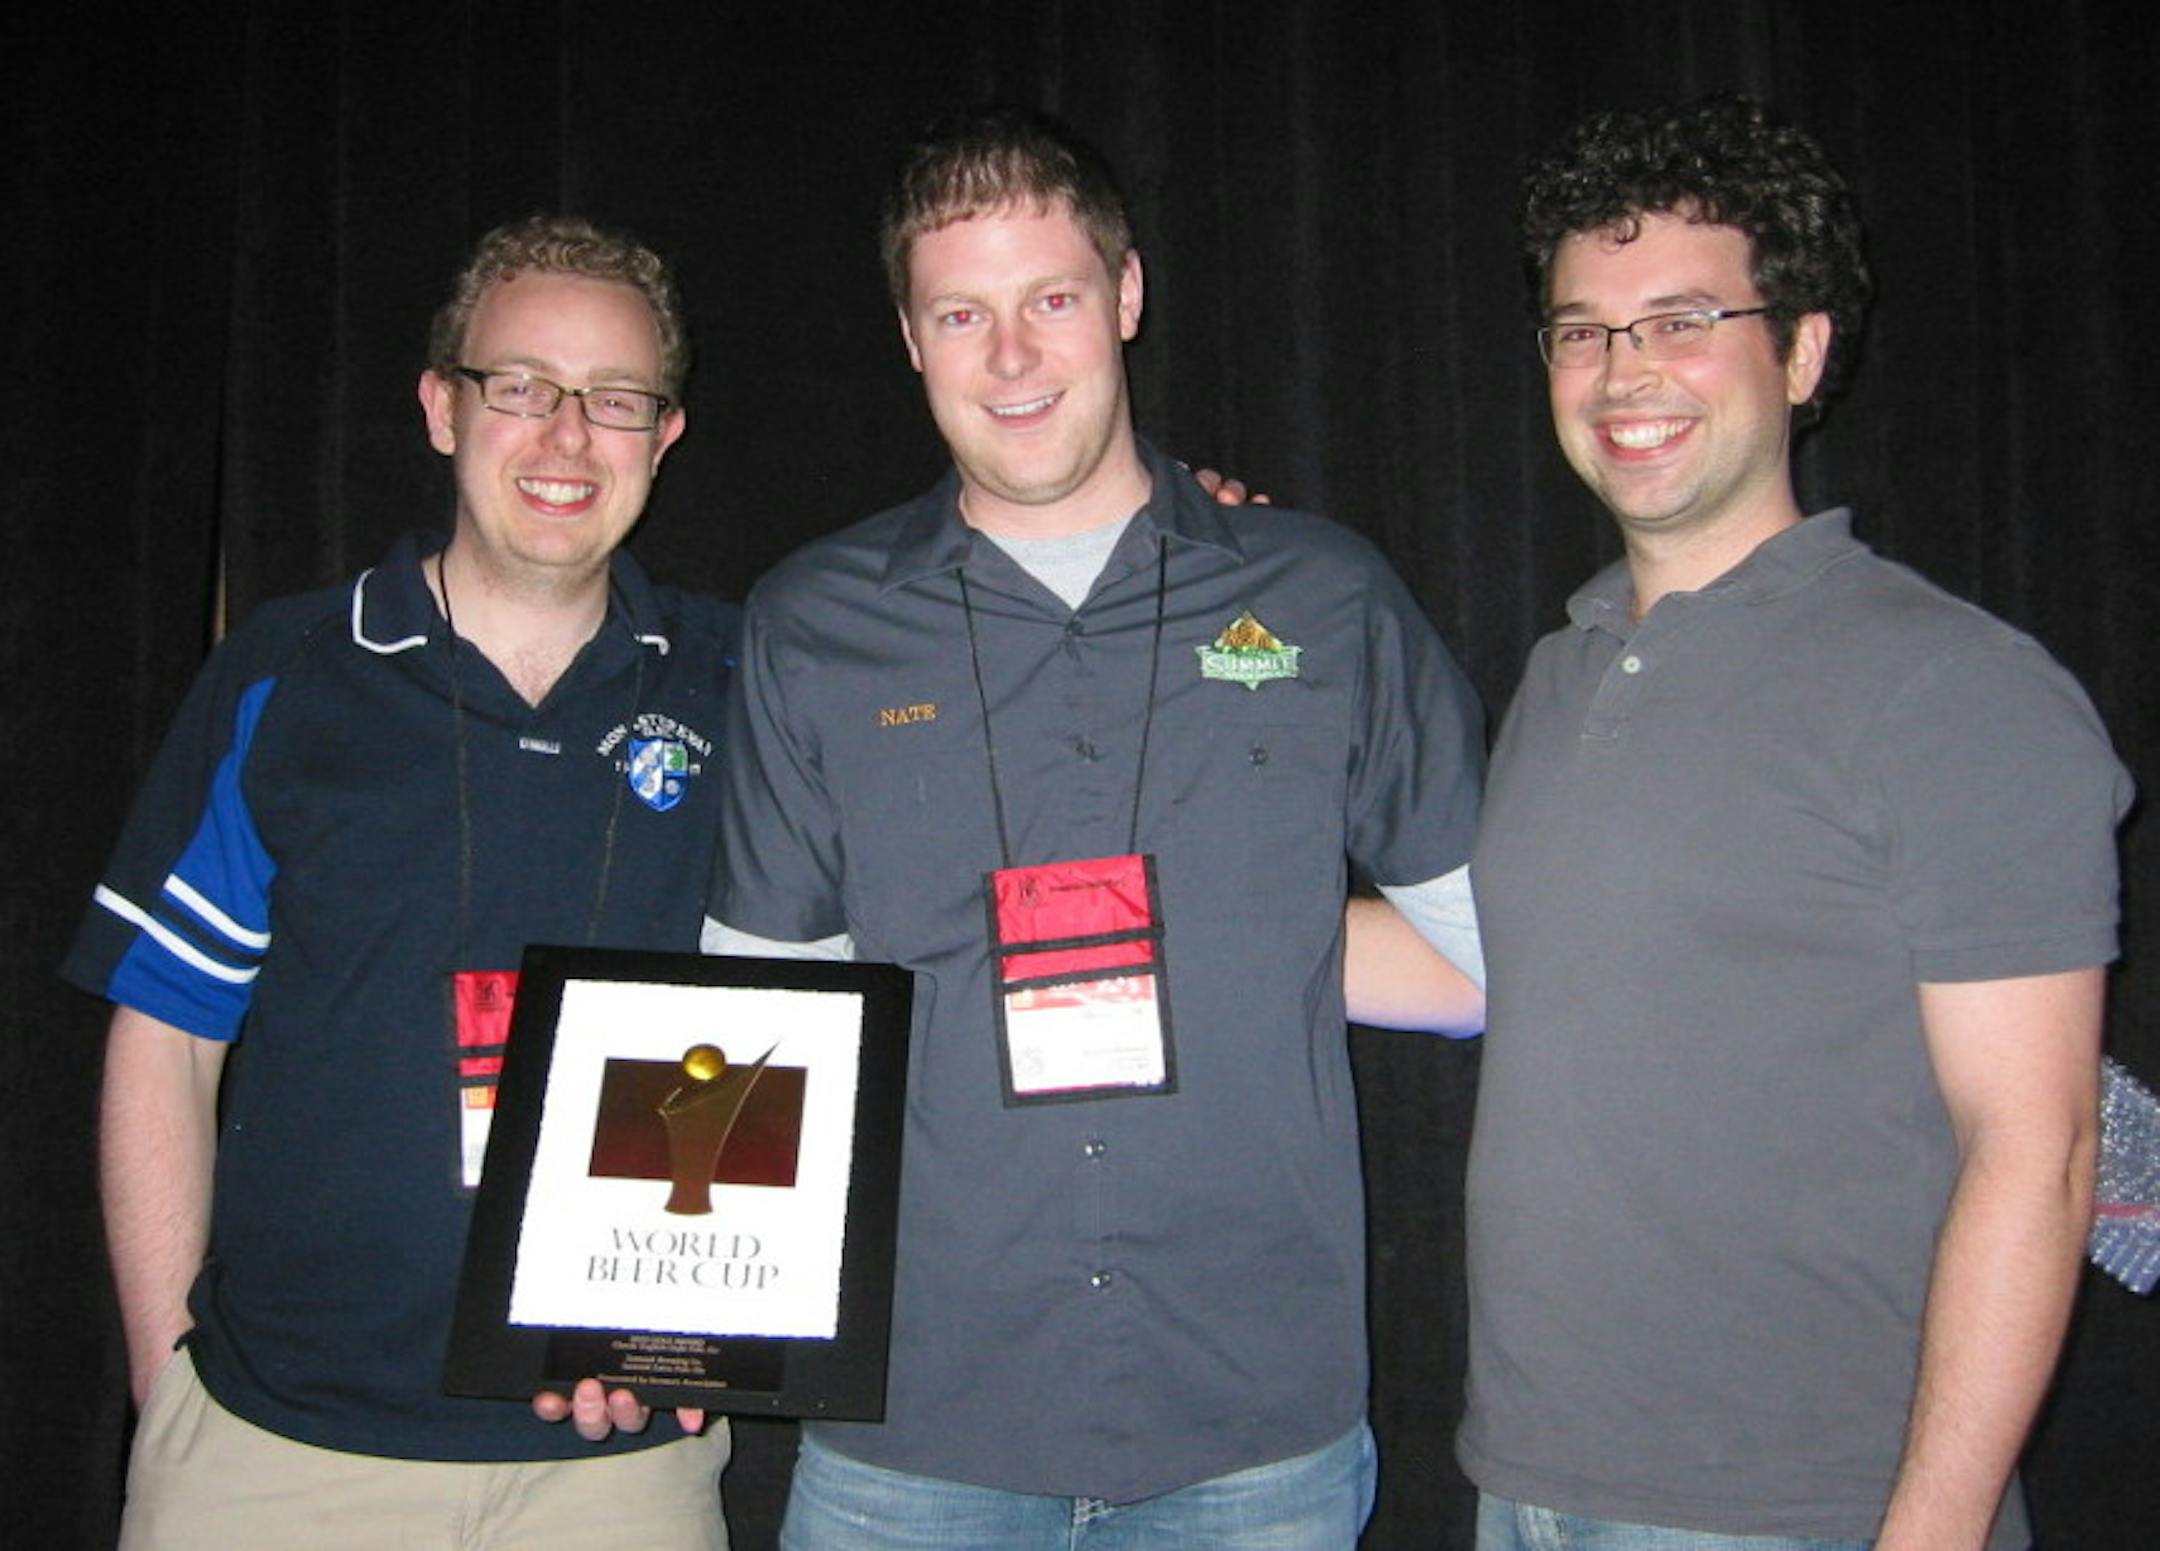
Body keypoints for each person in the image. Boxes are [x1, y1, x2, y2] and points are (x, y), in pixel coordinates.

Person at [704, 108, 1487, 1547]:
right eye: (963, 312)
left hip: (1254, 1438)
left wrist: (1249, 931)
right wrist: (673, 1315)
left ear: (1126, 299)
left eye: (1052, 298)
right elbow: (771, 1012)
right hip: (912, 1440)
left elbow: (1482, 961)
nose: (1012, 356)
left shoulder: (1324, 596)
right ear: (909, 336)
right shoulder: (813, 624)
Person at [1458, 96, 2131, 1550]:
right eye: (1584, 329)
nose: (1622, 371)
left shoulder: (1951, 687)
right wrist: (1158, 917)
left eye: (1682, 318)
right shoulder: (1563, 666)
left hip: (1806, 1509)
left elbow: (2043, 1149)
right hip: (1529, 1483)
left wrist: (1933, 1530)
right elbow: (1492, 971)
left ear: (1803, 349)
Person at [64, 215, 733, 1548]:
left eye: (612, 400)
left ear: (663, 436)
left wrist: (686, 1344)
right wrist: (169, 1380)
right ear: (442, 408)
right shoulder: (290, 674)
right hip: (276, 1455)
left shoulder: (745, 681)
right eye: (521, 388)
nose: (563, 437)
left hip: (613, 1472)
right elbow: (169, 1033)